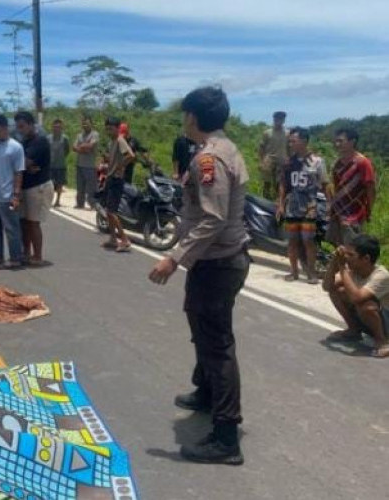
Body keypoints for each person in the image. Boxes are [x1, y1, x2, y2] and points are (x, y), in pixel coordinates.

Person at [149, 86, 250, 465]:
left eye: (184, 114)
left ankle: (226, 438)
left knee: (216, 344)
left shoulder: (209, 159)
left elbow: (212, 217)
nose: (182, 119)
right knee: (204, 329)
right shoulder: (225, 148)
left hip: (218, 262)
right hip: (219, 260)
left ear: (192, 117)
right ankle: (205, 392)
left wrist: (173, 259)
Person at [276, 127, 330, 284]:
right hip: (292, 207)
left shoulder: (317, 161)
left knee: (308, 240)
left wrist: (329, 204)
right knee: (292, 240)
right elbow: (283, 184)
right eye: (290, 140)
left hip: (310, 208)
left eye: (294, 140)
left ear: (304, 141)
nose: (290, 143)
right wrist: (280, 204)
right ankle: (293, 272)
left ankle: (311, 272)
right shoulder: (288, 162)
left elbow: (325, 184)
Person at [323, 235, 389, 358]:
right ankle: (354, 330)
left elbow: (356, 298)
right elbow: (327, 287)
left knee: (365, 304)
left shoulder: (382, 275)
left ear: (366, 258)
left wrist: (342, 268)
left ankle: (383, 342)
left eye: (351, 255)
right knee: (337, 291)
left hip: (387, 322)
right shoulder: (353, 271)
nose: (346, 258)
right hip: (372, 320)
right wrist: (334, 262)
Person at [0, 114, 25, 269]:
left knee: (11, 228)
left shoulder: (15, 147)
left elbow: (18, 173)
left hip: (7, 195)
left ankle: (15, 258)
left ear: (5, 128)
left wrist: (15, 195)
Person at [15, 111, 53, 266]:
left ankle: (38, 256)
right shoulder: (24, 143)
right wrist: (23, 166)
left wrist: (22, 165)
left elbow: (25, 162)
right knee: (23, 222)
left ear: (31, 125)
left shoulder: (40, 141)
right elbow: (22, 164)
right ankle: (26, 252)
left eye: (22, 126)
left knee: (33, 222)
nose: (20, 130)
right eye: (18, 127)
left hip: (38, 187)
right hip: (25, 186)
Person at [327, 128, 376, 246]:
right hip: (337, 213)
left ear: (352, 142)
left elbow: (370, 188)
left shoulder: (362, 163)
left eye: (341, 141)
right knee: (338, 248)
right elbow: (334, 187)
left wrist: (369, 210)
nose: (337, 144)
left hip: (355, 214)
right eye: (336, 141)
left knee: (352, 249)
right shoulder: (337, 164)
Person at [102, 117, 134, 253]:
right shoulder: (112, 142)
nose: (109, 131)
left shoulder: (120, 140)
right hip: (111, 177)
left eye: (111, 128)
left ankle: (125, 240)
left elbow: (131, 156)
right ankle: (113, 238)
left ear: (117, 128)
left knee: (112, 212)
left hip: (116, 179)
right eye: (107, 128)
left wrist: (119, 167)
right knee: (108, 211)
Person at [258, 111, 289, 200]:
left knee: (279, 184)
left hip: (281, 161)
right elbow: (261, 148)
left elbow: (289, 148)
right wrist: (261, 161)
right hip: (269, 161)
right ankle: (265, 200)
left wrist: (289, 159)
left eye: (282, 119)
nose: (280, 121)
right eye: (278, 119)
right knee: (266, 184)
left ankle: (277, 202)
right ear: (274, 119)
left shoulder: (287, 133)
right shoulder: (267, 133)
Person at [73, 116, 99, 209]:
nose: (85, 125)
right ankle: (80, 203)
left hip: (90, 165)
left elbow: (90, 146)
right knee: (80, 186)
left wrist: (81, 147)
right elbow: (74, 147)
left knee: (91, 187)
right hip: (79, 164)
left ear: (91, 124)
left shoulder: (95, 134)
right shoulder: (79, 135)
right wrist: (84, 148)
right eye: (83, 123)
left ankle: (93, 204)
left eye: (87, 123)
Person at [48, 118, 70, 207]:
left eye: (59, 127)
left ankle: (58, 200)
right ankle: (50, 199)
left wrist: (61, 157)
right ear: (52, 127)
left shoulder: (65, 138)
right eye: (55, 127)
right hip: (50, 165)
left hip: (61, 165)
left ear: (61, 128)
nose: (57, 128)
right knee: (50, 184)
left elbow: (67, 150)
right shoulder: (48, 138)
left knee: (60, 184)